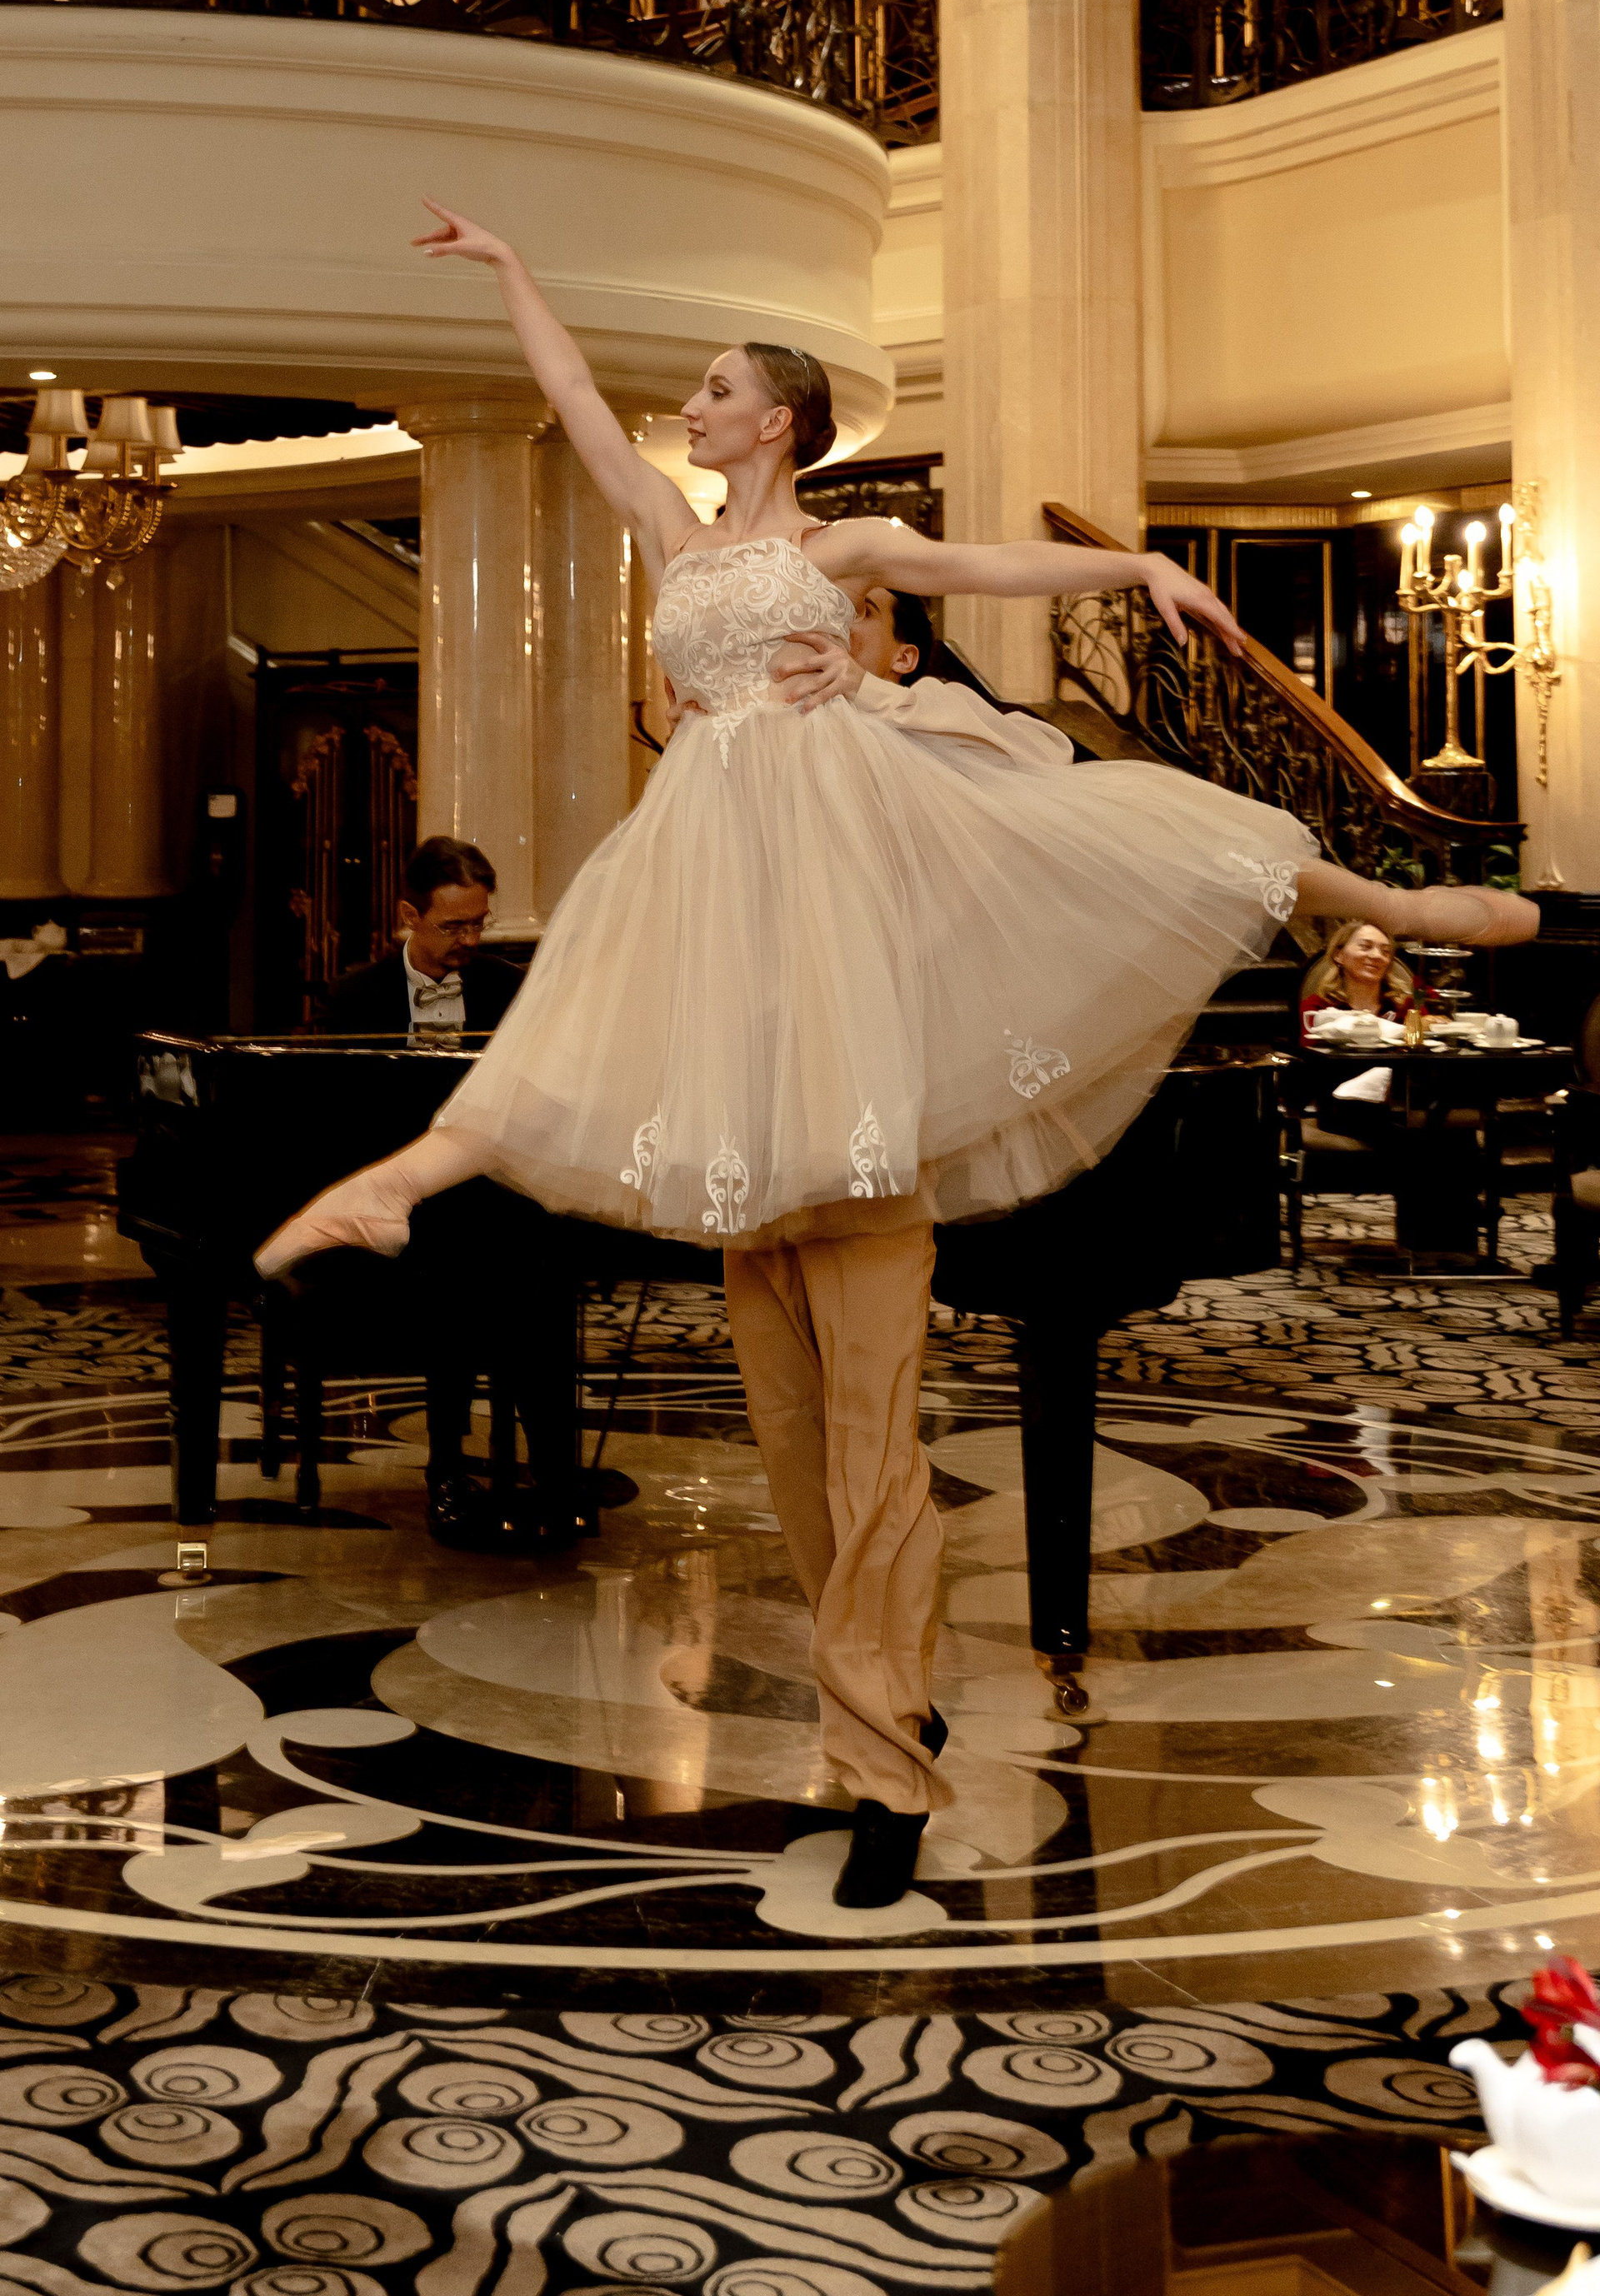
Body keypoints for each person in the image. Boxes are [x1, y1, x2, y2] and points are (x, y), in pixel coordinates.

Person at [256, 197, 1538, 1912]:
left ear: (780, 424)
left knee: (872, 1448)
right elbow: (570, 405)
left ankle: (884, 1776)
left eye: (719, 392)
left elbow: (990, 569)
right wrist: (511, 272)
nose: (691, 410)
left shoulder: (839, 550)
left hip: (850, 1047)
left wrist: (1140, 569)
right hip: (744, 1041)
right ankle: (876, 1692)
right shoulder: (672, 539)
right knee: (796, 1454)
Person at [325, 836, 522, 1034]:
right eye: (453, 926)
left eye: (478, 923)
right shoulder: (352, 996)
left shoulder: (511, 986)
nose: (470, 941)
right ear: (410, 916)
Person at [1298, 919, 1413, 1043]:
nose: (1377, 955)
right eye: (1365, 947)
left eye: (1385, 951)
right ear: (1339, 955)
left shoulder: (1407, 1007)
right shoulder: (1318, 1007)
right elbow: (1310, 1051)